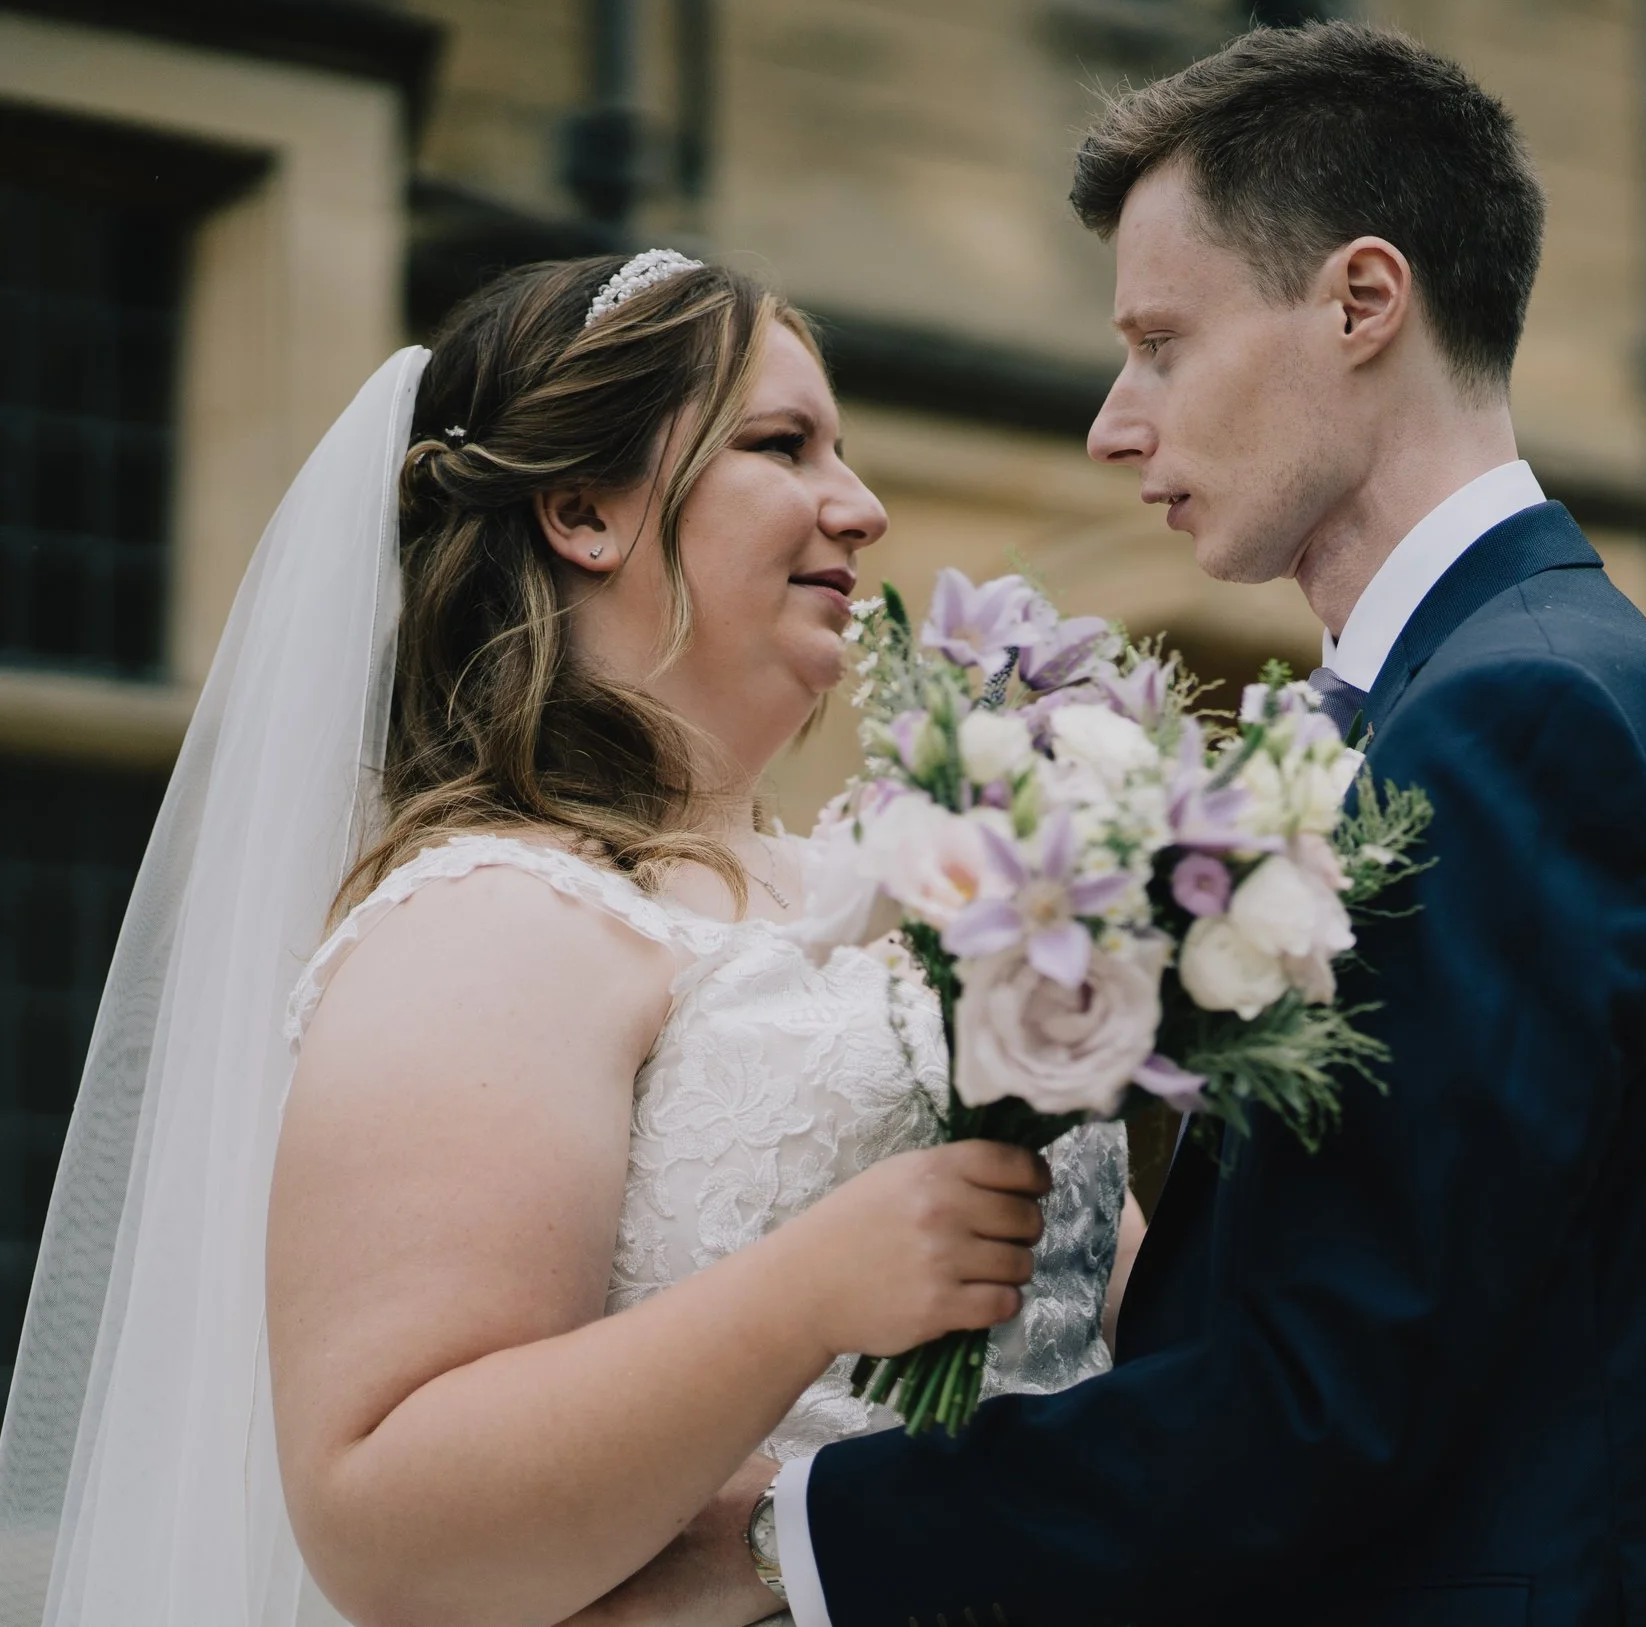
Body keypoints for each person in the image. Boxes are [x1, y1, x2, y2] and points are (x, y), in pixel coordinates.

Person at [756, 21, 1646, 1627]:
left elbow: (1332, 1399)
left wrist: (793, 1535)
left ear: (1363, 302)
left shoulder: (1525, 719)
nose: (1111, 421)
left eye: (1161, 342)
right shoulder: (1470, 695)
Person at [0, 253, 1138, 1627]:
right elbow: (389, 1525)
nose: (864, 504)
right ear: (583, 512)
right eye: (783, 445)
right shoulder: (491, 918)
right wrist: (808, 1300)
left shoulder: (895, 883)